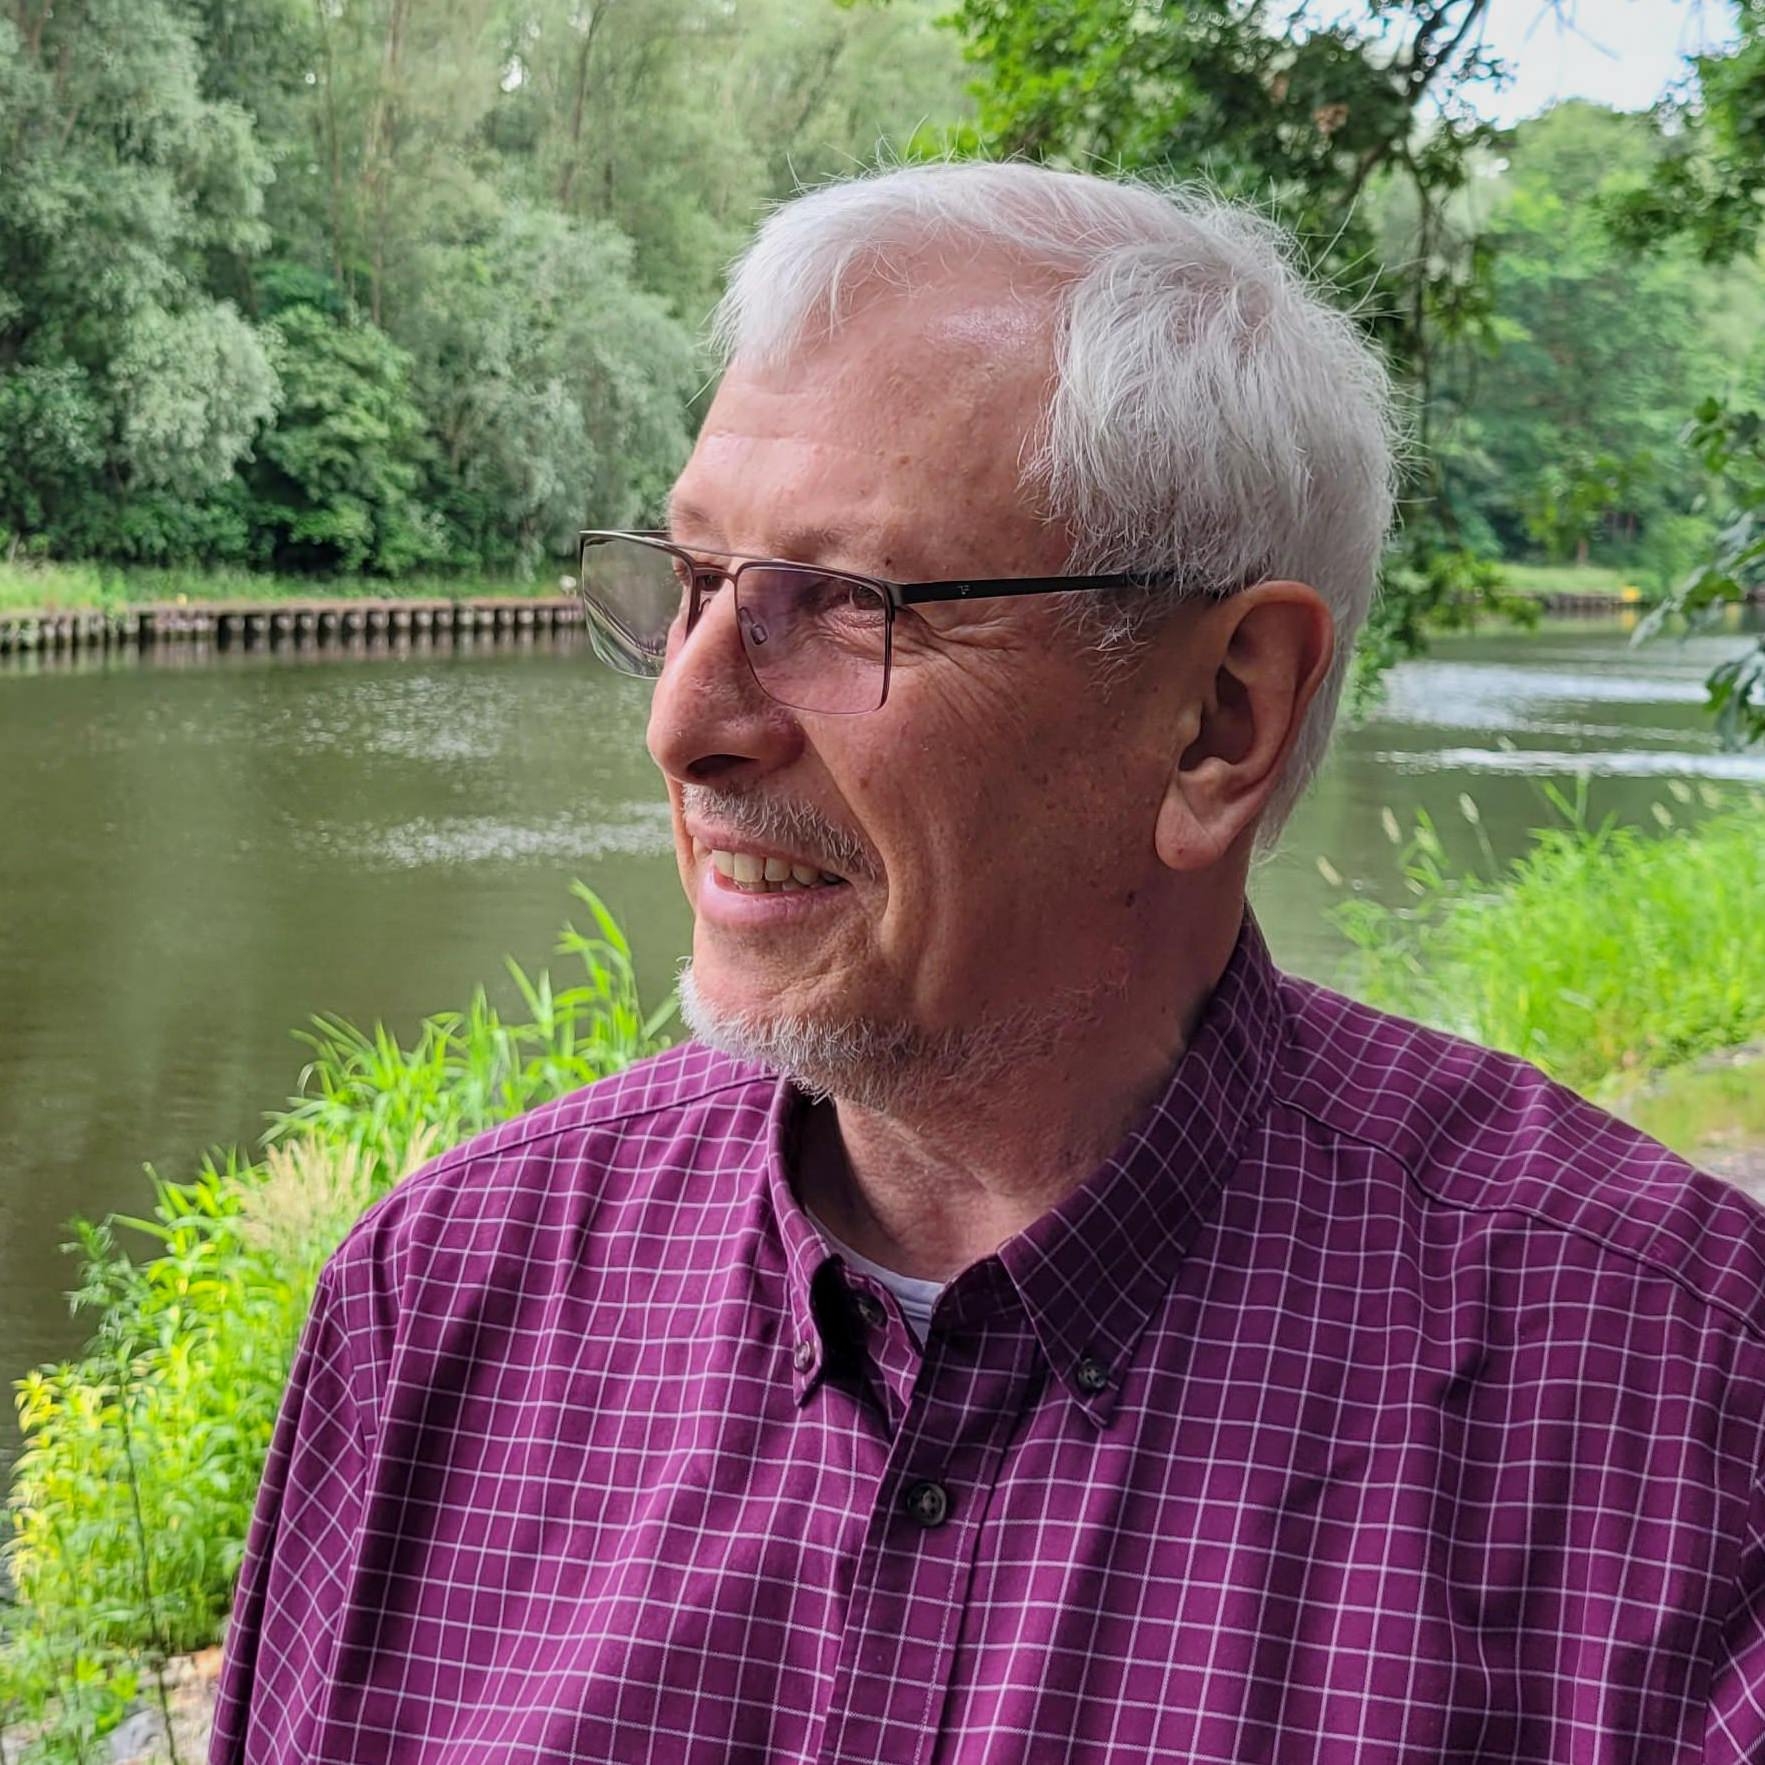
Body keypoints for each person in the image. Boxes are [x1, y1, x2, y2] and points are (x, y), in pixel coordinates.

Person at [210, 162, 1765, 1764]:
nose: (682, 722)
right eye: (694, 583)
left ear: (1219, 717)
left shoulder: (1680, 1410)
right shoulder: (436, 1303)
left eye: (845, 605)